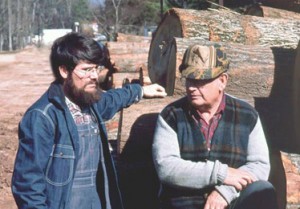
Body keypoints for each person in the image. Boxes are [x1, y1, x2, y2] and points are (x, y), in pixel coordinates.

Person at [11, 32, 167, 209]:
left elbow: (112, 100)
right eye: (86, 70)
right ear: (64, 71)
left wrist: (140, 91)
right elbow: (27, 185)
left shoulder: (88, 102)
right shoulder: (42, 116)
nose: (94, 76)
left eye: (96, 69)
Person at [152, 44, 278, 209]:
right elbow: (167, 167)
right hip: (182, 204)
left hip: (232, 203)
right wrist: (221, 174)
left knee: (263, 190)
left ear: (222, 81)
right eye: (189, 79)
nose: (191, 87)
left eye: (200, 81)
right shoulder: (171, 115)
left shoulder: (247, 115)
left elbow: (259, 166)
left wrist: (225, 191)